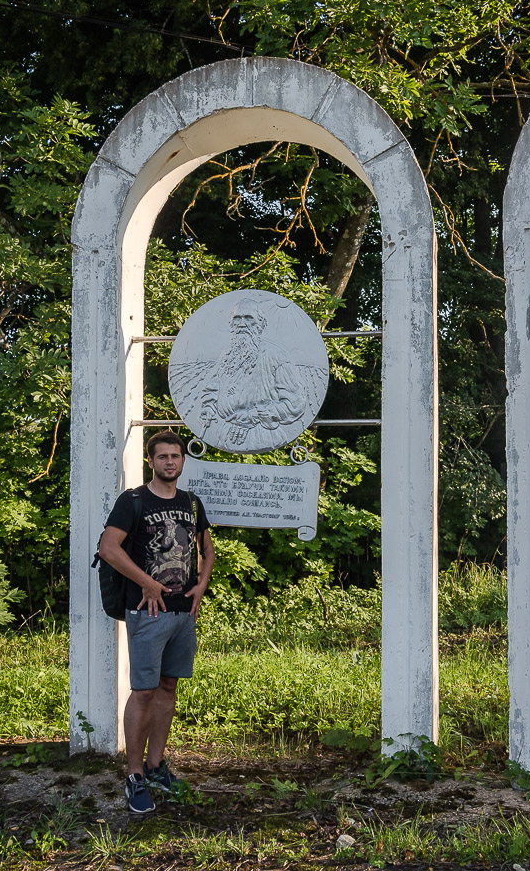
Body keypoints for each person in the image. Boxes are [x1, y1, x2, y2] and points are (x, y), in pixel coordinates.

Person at [97, 430, 214, 814]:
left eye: (175, 456)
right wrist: (146, 582)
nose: (169, 462)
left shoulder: (192, 503)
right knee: (144, 691)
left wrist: (202, 585)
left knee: (168, 686)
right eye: (161, 456)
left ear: (183, 461)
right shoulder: (133, 501)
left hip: (184, 612)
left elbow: (206, 550)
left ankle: (156, 765)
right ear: (151, 461)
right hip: (147, 612)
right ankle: (134, 775)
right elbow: (108, 548)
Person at [197, 298, 311, 447]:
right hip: (224, 433)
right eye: (237, 318)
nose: (242, 324)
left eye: (249, 318)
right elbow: (211, 390)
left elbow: (295, 402)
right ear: (231, 324)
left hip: (262, 434)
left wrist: (252, 416)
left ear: (261, 324)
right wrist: (207, 408)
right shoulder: (227, 354)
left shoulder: (276, 356)